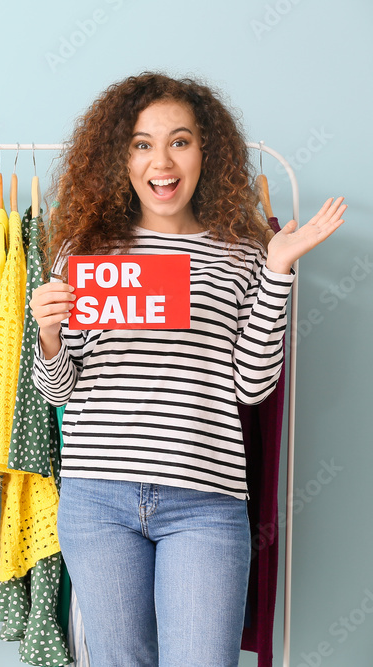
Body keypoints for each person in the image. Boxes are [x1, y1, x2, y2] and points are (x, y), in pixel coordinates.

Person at [28, 72, 346, 666]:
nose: (162, 161)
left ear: (207, 152)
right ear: (119, 158)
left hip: (205, 501)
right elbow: (59, 391)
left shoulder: (244, 253)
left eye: (180, 140)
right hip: (98, 498)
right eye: (142, 144)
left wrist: (277, 273)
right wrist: (48, 336)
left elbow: (253, 386)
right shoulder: (86, 252)